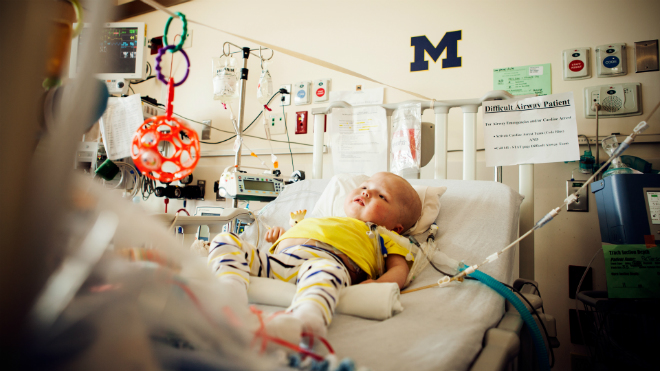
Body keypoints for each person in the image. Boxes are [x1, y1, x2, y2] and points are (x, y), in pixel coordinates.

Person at [208, 172, 422, 341]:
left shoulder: (384, 236)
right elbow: (300, 235)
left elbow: (400, 270)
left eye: (382, 196)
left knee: (326, 273)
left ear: (396, 227)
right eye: (365, 187)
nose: (367, 193)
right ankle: (230, 289)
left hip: (325, 265)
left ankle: (306, 319)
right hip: (279, 262)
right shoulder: (324, 219)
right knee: (225, 240)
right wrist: (282, 236)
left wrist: (376, 284)